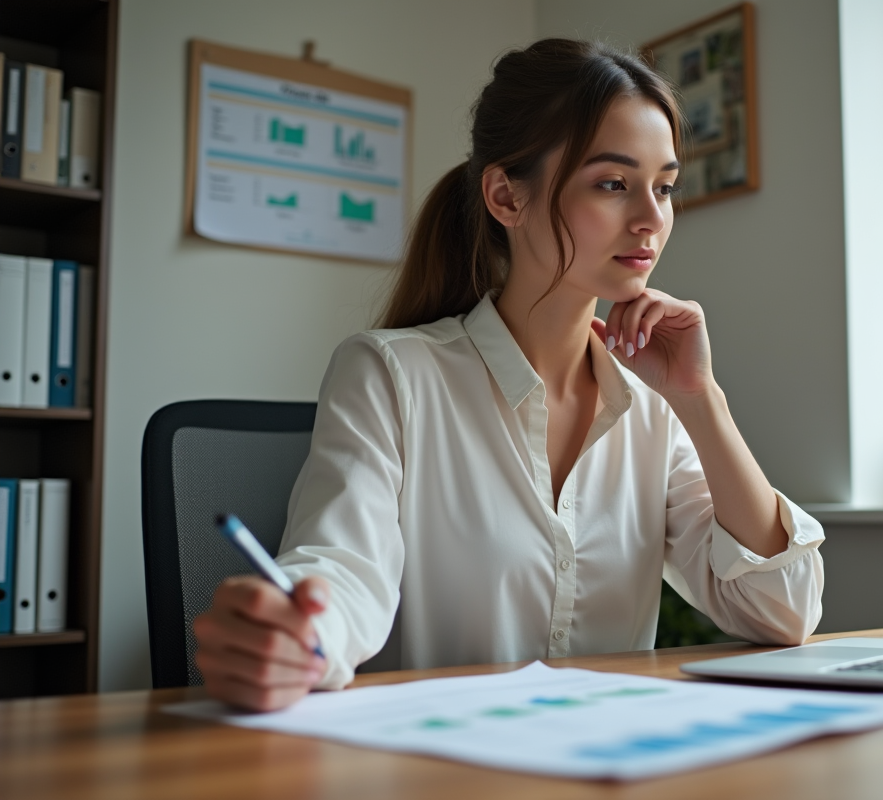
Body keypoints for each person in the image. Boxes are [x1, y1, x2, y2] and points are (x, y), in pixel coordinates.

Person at [193, 38, 825, 712]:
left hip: (615, 766)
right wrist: (295, 632)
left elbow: (781, 611)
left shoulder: (651, 407)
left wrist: (702, 401)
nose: (651, 219)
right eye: (613, 183)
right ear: (505, 196)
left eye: (664, 188)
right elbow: (342, 571)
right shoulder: (390, 375)